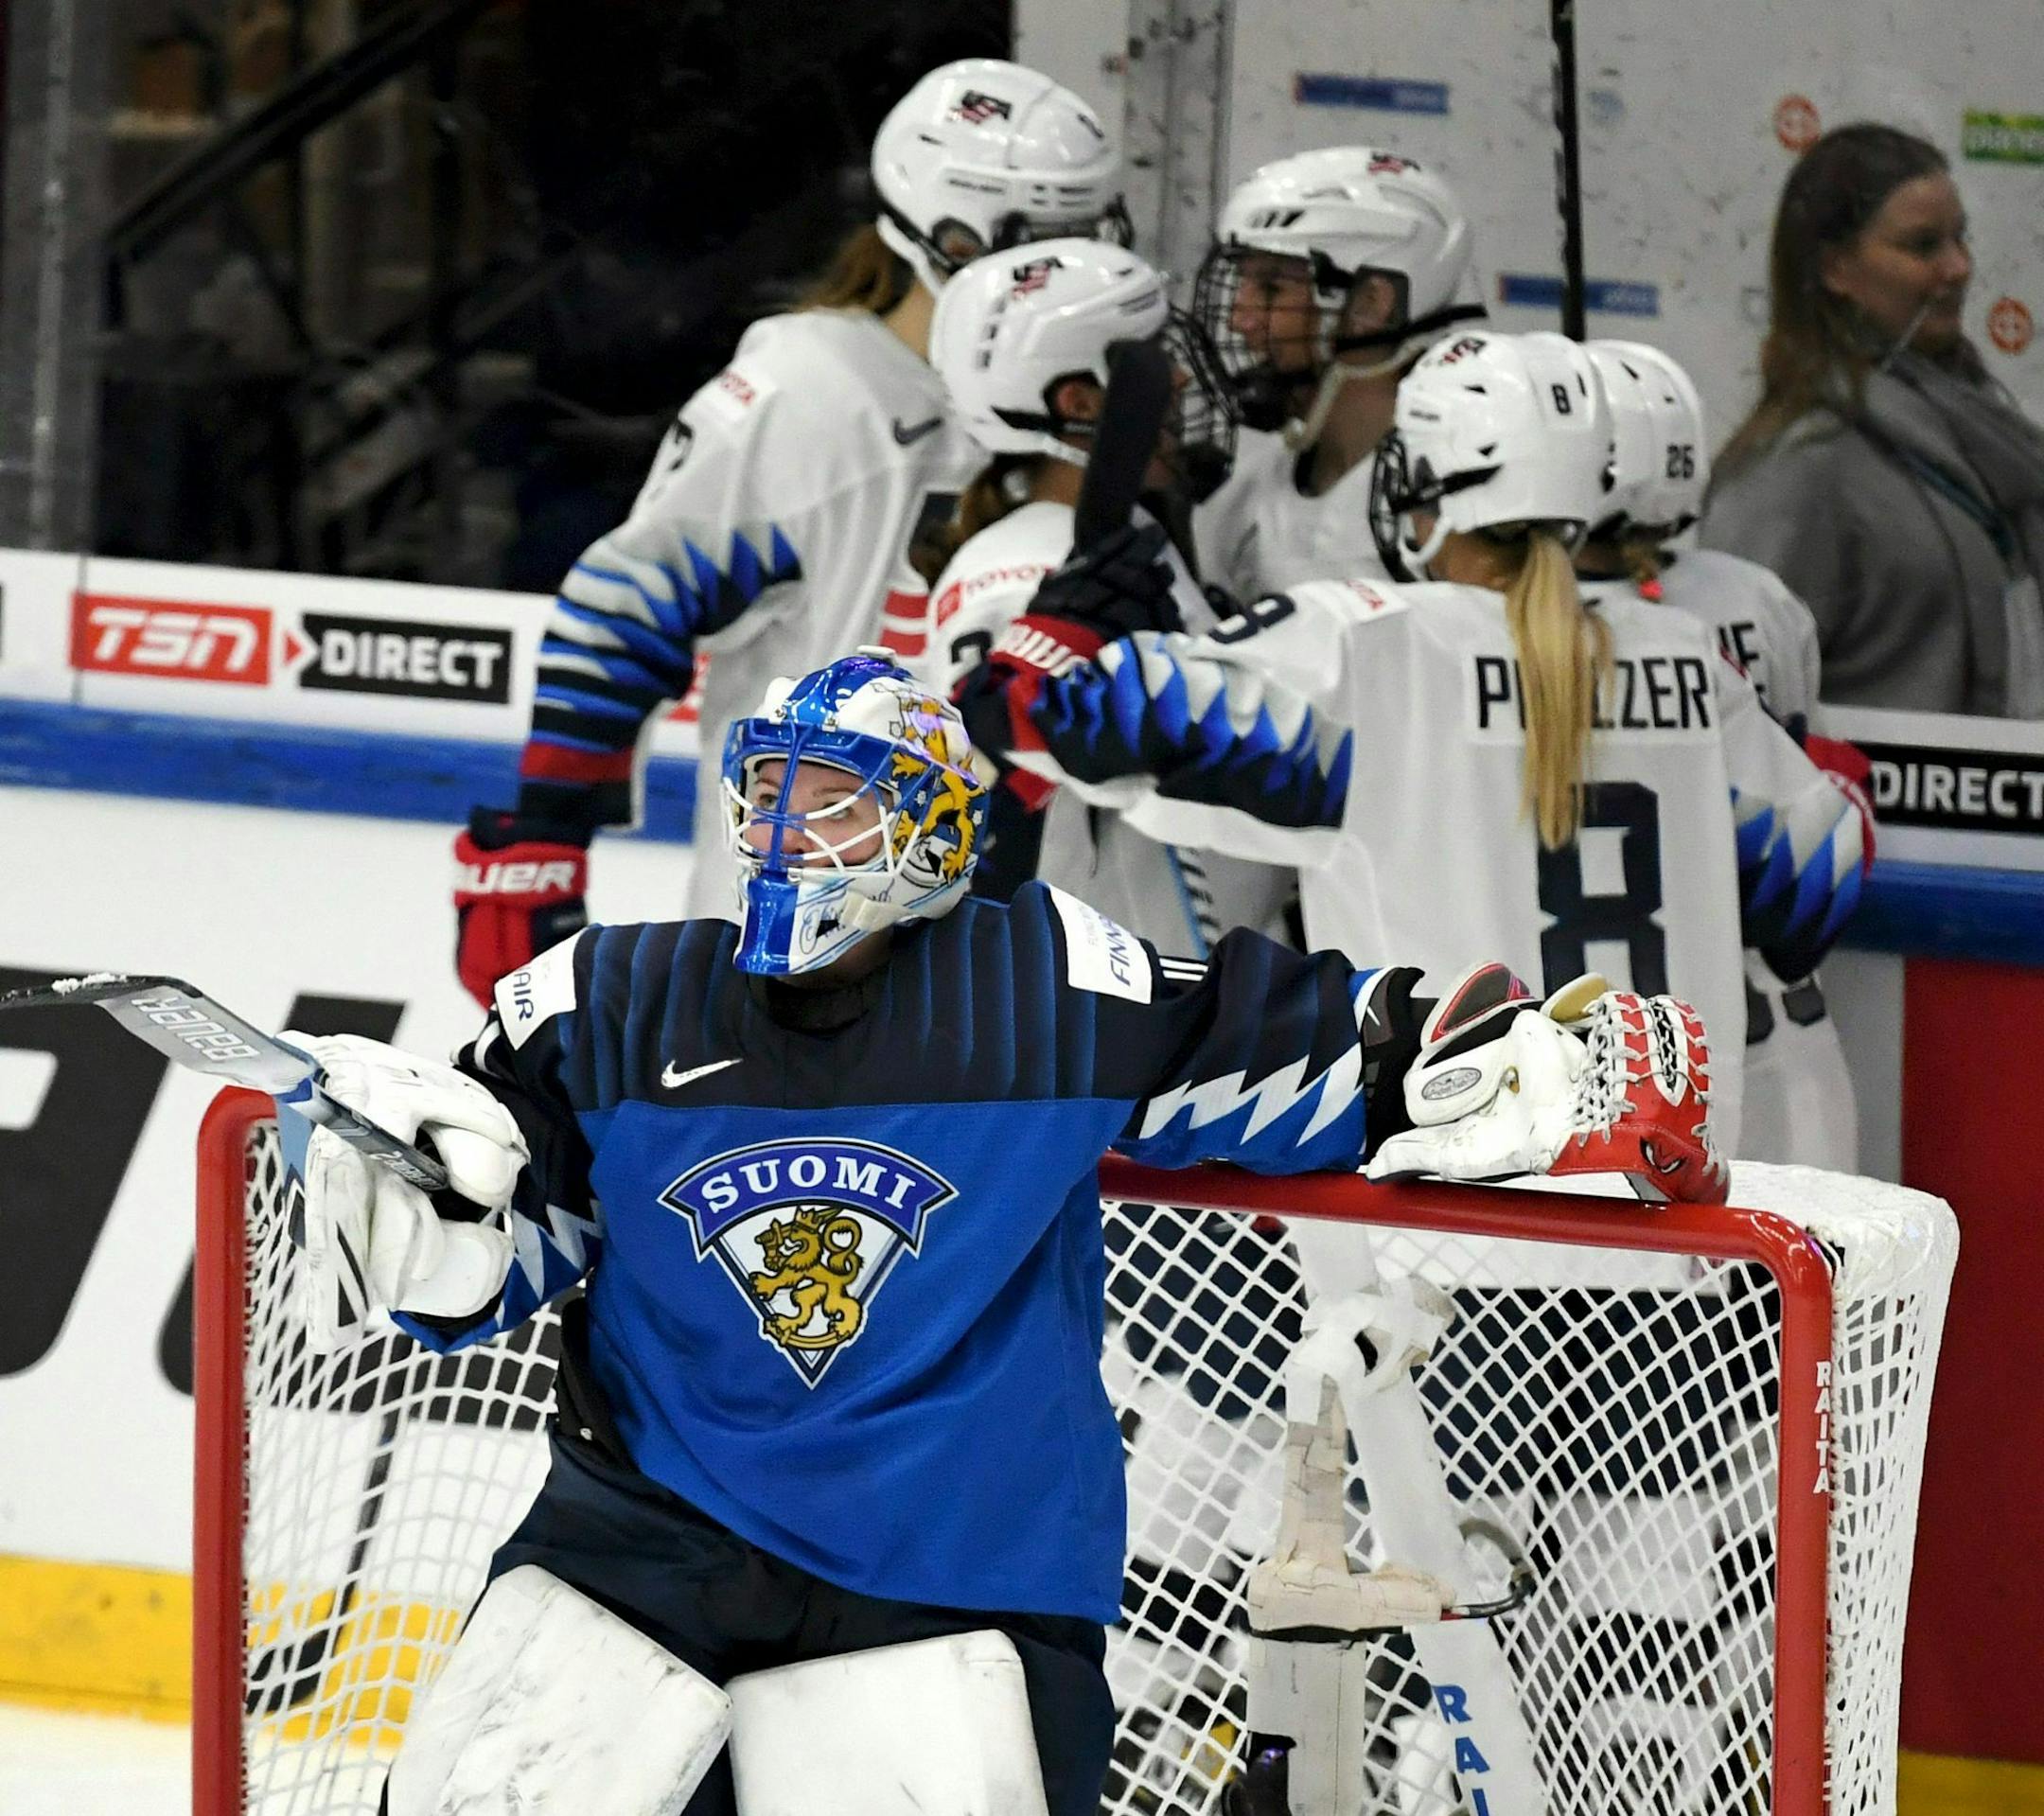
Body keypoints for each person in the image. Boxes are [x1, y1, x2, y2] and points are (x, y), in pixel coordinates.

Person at [285, 652, 1719, 1816]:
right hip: (639, 1547)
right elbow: (498, 1256)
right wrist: (414, 1209)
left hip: (947, 1571)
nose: (788, 835)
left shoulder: (1046, 980)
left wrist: (1526, 1063)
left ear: (926, 828)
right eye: (768, 795)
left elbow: (1327, 1048)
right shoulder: (606, 995)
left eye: (831, 803)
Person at [960, 329, 1874, 1165]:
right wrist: (1832, 761)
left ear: (1428, 489)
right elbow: (1813, 890)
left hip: (1448, 1229)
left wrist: (1057, 629)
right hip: (1672, 1226)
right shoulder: (1691, 659)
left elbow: (1029, 720)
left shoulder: (1366, 646)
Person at [450, 57, 1136, 1009]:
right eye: (1048, 230)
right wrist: (544, 837)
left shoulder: (1080, 391)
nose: (1077, 260)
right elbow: (627, 602)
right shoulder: (809, 396)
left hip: (1006, 926)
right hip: (800, 946)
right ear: (946, 230)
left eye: (1092, 224)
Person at [914, 237, 1289, 949]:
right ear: (1081, 399)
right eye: (1152, 354)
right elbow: (971, 801)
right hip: (1106, 1008)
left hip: (1177, 996)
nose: (1179, 379)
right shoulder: (1030, 571)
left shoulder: (1116, 543)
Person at [1582, 338, 1868, 1171]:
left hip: (1641, 1070)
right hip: (1782, 1040)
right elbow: (1819, 804)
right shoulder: (1757, 596)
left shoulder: (1555, 627)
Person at [1703, 122, 2044, 718]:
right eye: (1923, 246)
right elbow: (1734, 699)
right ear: (1836, 269)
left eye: (1959, 239)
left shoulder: (1977, 434)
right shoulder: (1796, 468)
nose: (1959, 267)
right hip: (1869, 809)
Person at [1189, 147, 1484, 600]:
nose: (1238, 320)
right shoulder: (1242, 499)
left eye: (1271, 289)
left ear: (1373, 303)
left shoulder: (1459, 498)